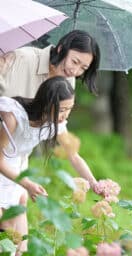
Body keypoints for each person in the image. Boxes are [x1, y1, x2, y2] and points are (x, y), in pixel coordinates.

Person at [0, 76, 99, 256]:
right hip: (4, 166)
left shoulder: (56, 124)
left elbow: (74, 156)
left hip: (17, 170)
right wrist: (28, 184)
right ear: (46, 104)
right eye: (62, 110)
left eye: (70, 109)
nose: (66, 116)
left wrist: (94, 183)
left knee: (16, 237)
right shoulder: (13, 117)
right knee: (5, 227)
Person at [0, 29, 100, 98]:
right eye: (74, 62)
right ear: (61, 49)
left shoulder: (68, 81)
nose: (74, 71)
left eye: (83, 68)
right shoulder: (21, 58)